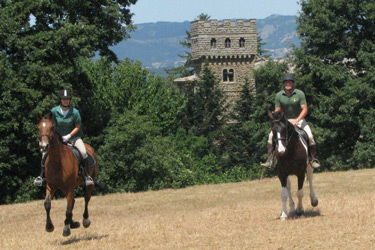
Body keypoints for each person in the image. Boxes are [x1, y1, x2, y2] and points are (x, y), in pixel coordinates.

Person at [34, 89, 94, 186]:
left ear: (69, 100)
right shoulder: (54, 111)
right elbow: (46, 122)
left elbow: (78, 127)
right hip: (58, 139)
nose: (65, 101)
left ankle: (87, 176)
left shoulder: (75, 112)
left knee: (83, 152)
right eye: (63, 99)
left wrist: (69, 135)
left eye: (67, 99)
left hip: (74, 137)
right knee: (44, 153)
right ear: (60, 100)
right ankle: (41, 176)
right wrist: (44, 138)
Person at [261, 73, 320, 169]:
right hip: (284, 121)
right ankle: (270, 160)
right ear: (283, 84)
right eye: (286, 82)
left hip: (298, 119)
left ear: (293, 83)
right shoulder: (279, 95)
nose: (288, 84)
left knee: (310, 136)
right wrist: (277, 119)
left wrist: (297, 120)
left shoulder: (299, 94)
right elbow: (277, 110)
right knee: (270, 136)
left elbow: (305, 109)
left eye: (290, 82)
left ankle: (312, 159)